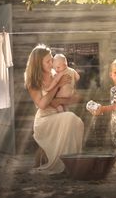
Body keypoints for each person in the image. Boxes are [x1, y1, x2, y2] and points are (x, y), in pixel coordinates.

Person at [24, 44, 84, 174]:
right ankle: (63, 163)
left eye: (51, 59)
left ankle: (70, 162)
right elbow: (42, 105)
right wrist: (57, 87)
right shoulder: (33, 82)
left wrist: (58, 100)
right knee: (69, 118)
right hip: (44, 120)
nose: (52, 63)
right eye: (48, 61)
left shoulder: (57, 73)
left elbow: (75, 98)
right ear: (38, 64)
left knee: (77, 122)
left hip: (58, 114)